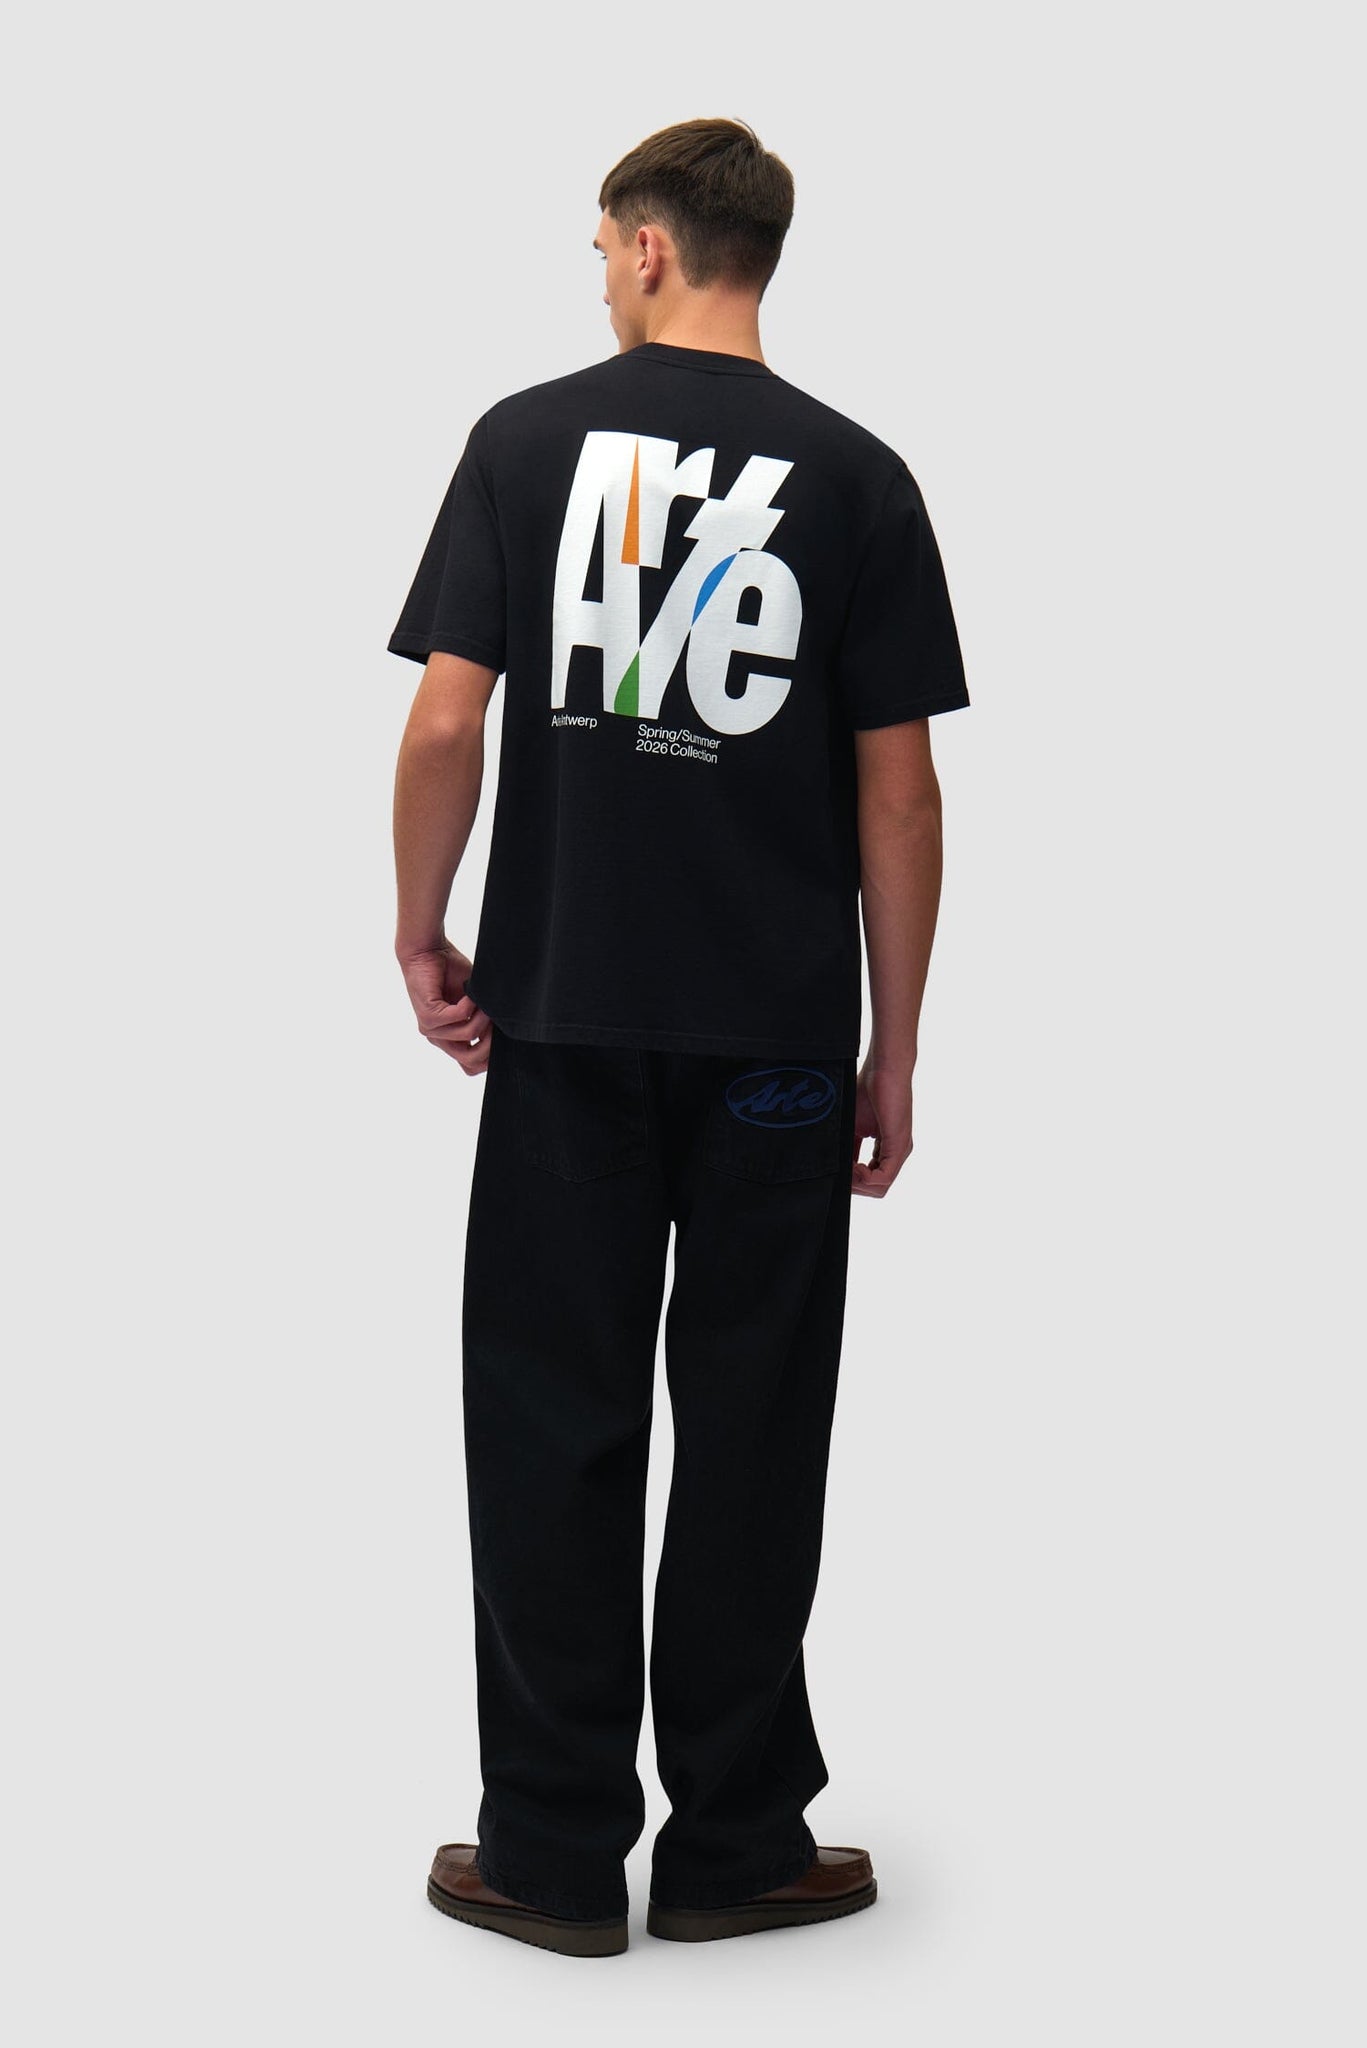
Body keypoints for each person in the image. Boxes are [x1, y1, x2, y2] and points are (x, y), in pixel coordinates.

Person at [386, 117, 970, 1958]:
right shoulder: (862, 480)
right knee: (752, 1433)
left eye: (599, 251)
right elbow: (901, 796)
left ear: (649, 247)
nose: (597, 280)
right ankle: (733, 1844)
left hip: (564, 1016)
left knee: (545, 1421)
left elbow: (443, 729)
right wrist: (894, 1043)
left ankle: (552, 1855)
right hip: (778, 1039)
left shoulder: (521, 443)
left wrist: (419, 926)